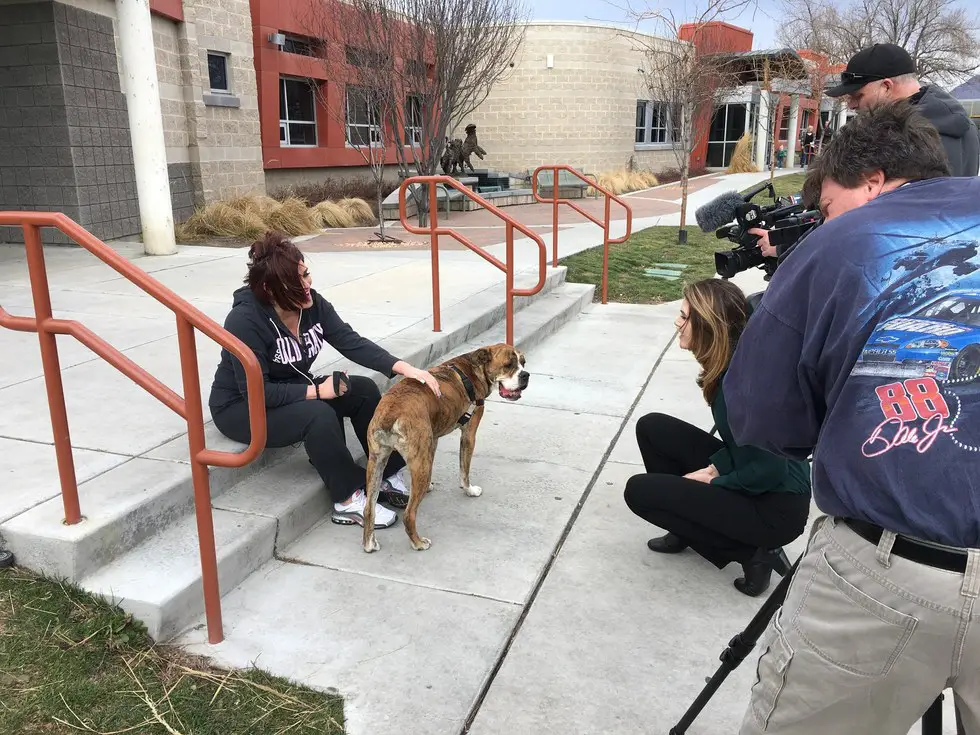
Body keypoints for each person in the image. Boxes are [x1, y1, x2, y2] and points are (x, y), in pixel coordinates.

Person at [725, 102, 980, 734]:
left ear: (872, 179)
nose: (823, 220)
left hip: (890, 570)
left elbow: (762, 418)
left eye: (828, 204)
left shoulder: (843, 242)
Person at [208, 231, 441, 530]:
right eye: (297, 282)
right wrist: (317, 391)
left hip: (290, 387)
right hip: (241, 407)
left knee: (364, 390)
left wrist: (405, 368)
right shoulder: (245, 321)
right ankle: (347, 499)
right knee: (318, 414)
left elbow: (349, 340)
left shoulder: (312, 304)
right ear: (270, 288)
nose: (307, 286)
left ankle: (386, 473)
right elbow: (258, 392)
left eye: (307, 275)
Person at [623, 279, 812, 598]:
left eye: (684, 317)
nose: (677, 323)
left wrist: (713, 482)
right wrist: (715, 466)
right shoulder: (732, 363)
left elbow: (770, 471)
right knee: (653, 428)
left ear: (708, 326)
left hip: (775, 508)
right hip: (760, 474)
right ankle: (687, 528)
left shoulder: (742, 386)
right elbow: (745, 445)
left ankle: (753, 552)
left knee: (639, 492)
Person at [826, 42, 980, 177]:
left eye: (858, 96)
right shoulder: (965, 126)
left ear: (886, 87)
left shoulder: (908, 136)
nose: (852, 105)